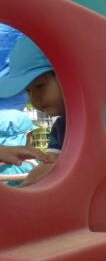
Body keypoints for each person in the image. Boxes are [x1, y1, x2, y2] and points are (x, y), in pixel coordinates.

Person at [0, 36, 63, 187]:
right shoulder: (61, 126)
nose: (34, 96)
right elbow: (49, 164)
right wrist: (24, 188)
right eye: (28, 90)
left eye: (40, 86)